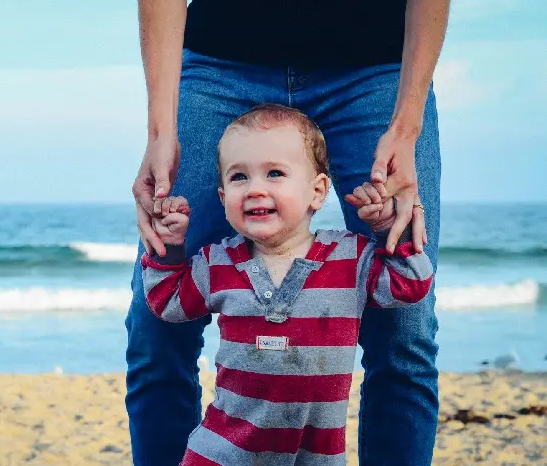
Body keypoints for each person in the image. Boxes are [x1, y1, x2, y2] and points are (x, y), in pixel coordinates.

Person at [127, 0, 455, 465]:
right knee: (155, 327)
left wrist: (406, 124)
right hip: (219, 65)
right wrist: (161, 131)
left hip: (375, 73)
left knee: (406, 334)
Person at [140, 105, 434, 465]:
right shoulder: (217, 263)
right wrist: (170, 250)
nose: (254, 189)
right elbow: (166, 303)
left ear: (317, 191)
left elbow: (411, 284)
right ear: (222, 199)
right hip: (221, 454)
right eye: (238, 178)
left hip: (315, 457)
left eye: (275, 173)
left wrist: (390, 229)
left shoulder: (352, 259)